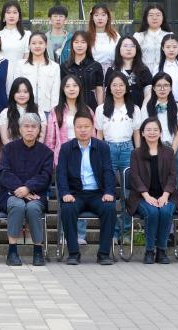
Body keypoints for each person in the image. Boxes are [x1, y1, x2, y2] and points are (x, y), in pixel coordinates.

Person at [56, 113, 116, 265]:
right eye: (79, 127)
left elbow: (108, 171)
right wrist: (65, 193)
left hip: (97, 194)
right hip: (75, 194)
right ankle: (73, 253)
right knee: (67, 209)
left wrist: (109, 192)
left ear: (92, 128)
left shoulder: (102, 147)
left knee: (109, 208)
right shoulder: (66, 148)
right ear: (74, 129)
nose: (83, 130)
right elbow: (61, 173)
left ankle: (104, 254)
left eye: (86, 126)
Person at [0, 112, 54, 266]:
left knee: (33, 208)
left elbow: (46, 176)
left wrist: (28, 188)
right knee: (17, 205)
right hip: (11, 193)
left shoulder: (46, 153)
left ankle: (38, 251)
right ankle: (12, 251)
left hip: (36, 194)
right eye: (26, 126)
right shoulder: (8, 149)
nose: (30, 130)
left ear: (39, 130)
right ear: (20, 129)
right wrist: (20, 189)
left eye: (33, 127)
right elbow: (3, 173)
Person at [95, 71, 142, 242]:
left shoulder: (134, 108)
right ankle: (112, 232)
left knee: (127, 193)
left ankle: (125, 231)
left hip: (128, 149)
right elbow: (99, 134)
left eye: (121, 85)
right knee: (108, 191)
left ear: (126, 87)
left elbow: (136, 133)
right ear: (109, 88)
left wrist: (138, 154)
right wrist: (97, 155)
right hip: (107, 149)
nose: (118, 88)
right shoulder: (101, 109)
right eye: (114, 85)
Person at [128, 116, 177, 264]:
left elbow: (173, 176)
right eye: (148, 130)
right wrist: (147, 196)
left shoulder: (168, 152)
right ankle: (149, 251)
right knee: (152, 211)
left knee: (165, 211)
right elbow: (135, 176)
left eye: (155, 130)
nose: (152, 133)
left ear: (161, 132)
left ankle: (161, 251)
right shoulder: (136, 153)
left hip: (166, 195)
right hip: (142, 197)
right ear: (142, 133)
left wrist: (165, 195)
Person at [146, 73, 178, 201]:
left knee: (175, 169)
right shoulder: (148, 107)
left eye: (166, 85)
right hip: (153, 146)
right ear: (153, 88)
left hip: (172, 146)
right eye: (159, 86)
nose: (162, 89)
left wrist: (171, 151)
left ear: (170, 87)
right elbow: (145, 130)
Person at [12, 32, 60, 117]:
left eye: (41, 43)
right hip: (24, 110)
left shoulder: (54, 66)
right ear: (29, 46)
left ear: (46, 45)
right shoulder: (20, 65)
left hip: (47, 110)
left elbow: (55, 92)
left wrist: (54, 113)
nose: (37, 46)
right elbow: (16, 89)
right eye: (33, 43)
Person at [106, 36, 153, 110]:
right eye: (125, 46)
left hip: (140, 109)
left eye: (132, 46)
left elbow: (149, 92)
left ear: (137, 49)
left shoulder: (144, 70)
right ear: (119, 49)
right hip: (116, 111)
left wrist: (143, 109)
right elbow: (108, 93)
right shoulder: (112, 70)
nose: (129, 49)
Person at [62, 31, 105, 111]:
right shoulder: (64, 66)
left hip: (91, 107)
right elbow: (62, 90)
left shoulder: (96, 66)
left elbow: (99, 89)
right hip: (70, 109)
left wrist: (100, 110)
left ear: (88, 44)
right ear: (72, 44)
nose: (79, 45)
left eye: (83, 42)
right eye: (76, 42)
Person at [0, 78, 41, 144]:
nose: (22, 95)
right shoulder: (5, 113)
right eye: (18, 92)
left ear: (30, 93)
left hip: (35, 149)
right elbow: (5, 139)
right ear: (13, 93)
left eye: (25, 92)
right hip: (12, 149)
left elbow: (41, 137)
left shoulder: (39, 111)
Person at [135, 4, 170, 74]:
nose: (154, 18)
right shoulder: (138, 36)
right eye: (151, 15)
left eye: (158, 15)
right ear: (146, 18)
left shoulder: (169, 36)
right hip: (143, 74)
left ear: (163, 17)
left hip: (165, 74)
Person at [86, 4, 120, 73]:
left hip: (111, 73)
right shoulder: (87, 36)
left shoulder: (115, 36)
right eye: (96, 15)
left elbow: (120, 56)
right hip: (91, 73)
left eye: (103, 15)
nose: (100, 18)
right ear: (92, 18)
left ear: (108, 17)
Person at [0, 0, 30, 64]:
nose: (11, 16)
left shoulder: (26, 34)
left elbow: (27, 58)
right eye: (8, 12)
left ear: (19, 16)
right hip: (2, 69)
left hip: (21, 70)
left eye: (15, 12)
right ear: (3, 16)